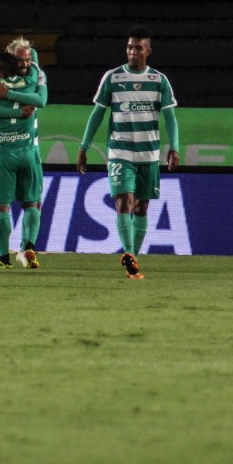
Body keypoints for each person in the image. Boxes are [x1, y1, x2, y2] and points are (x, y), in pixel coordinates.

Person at [75, 25, 179, 280]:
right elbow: (97, 113)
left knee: (142, 207)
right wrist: (84, 146)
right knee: (124, 201)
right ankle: (129, 254)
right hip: (120, 151)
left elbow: (170, 117)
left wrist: (174, 147)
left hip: (148, 154)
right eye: (130, 47)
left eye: (138, 48)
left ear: (148, 51)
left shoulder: (159, 80)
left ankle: (134, 261)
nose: (133, 52)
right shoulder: (112, 78)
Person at [0, 47, 46, 269]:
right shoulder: (33, 78)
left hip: (2, 153)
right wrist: (20, 108)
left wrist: (6, 57)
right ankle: (28, 246)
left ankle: (2, 257)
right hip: (28, 150)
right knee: (32, 203)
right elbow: (41, 100)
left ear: (0, 72)